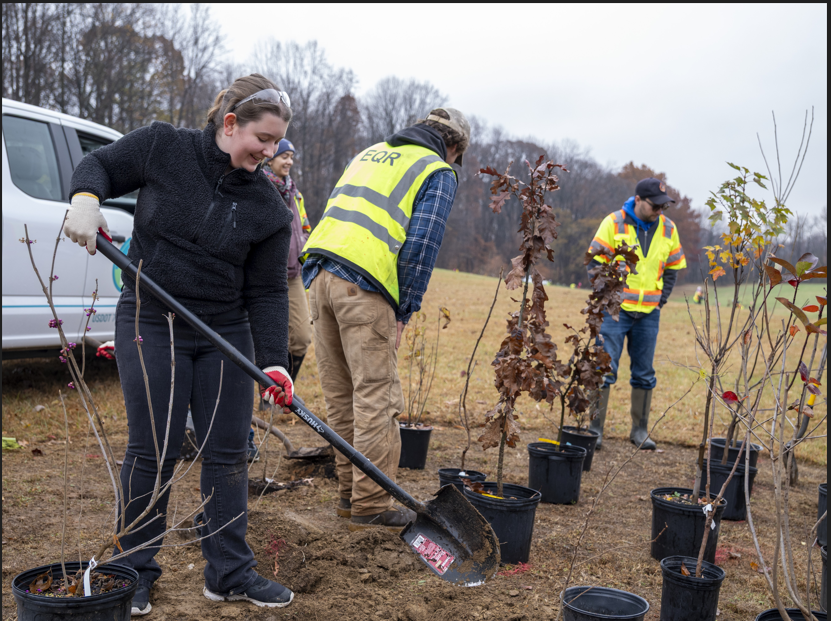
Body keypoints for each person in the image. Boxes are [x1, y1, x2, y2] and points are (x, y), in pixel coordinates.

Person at [63, 74, 297, 615]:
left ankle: (231, 573)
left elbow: (265, 291)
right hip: (151, 316)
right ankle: (133, 571)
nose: (270, 152)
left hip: (225, 331)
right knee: (154, 449)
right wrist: (85, 197)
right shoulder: (163, 146)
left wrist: (274, 364)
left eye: (277, 142)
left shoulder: (268, 206)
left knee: (228, 453)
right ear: (230, 123)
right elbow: (99, 165)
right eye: (262, 139)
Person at [301, 107, 470, 530]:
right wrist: (404, 311)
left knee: (341, 398)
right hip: (365, 285)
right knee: (375, 396)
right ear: (454, 146)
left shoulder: (371, 152)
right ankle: (372, 504)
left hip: (319, 278)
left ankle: (349, 495)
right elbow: (422, 244)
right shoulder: (437, 170)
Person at [586, 177, 686, 450]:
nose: (660, 212)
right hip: (615, 313)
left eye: (664, 207)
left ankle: (639, 431)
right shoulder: (613, 223)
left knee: (644, 374)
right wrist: (606, 297)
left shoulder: (668, 228)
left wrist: (660, 300)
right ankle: (594, 430)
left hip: (649, 314)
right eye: (655, 206)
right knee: (603, 369)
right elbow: (594, 262)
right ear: (639, 200)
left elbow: (673, 267)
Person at [262, 139, 313, 381]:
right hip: (262, 276)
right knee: (260, 338)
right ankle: (265, 390)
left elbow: (305, 226)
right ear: (270, 158)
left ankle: (284, 391)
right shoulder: (259, 186)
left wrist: (303, 243)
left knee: (302, 337)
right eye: (284, 156)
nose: (289, 161)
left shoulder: (296, 194)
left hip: (293, 276)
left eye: (291, 157)